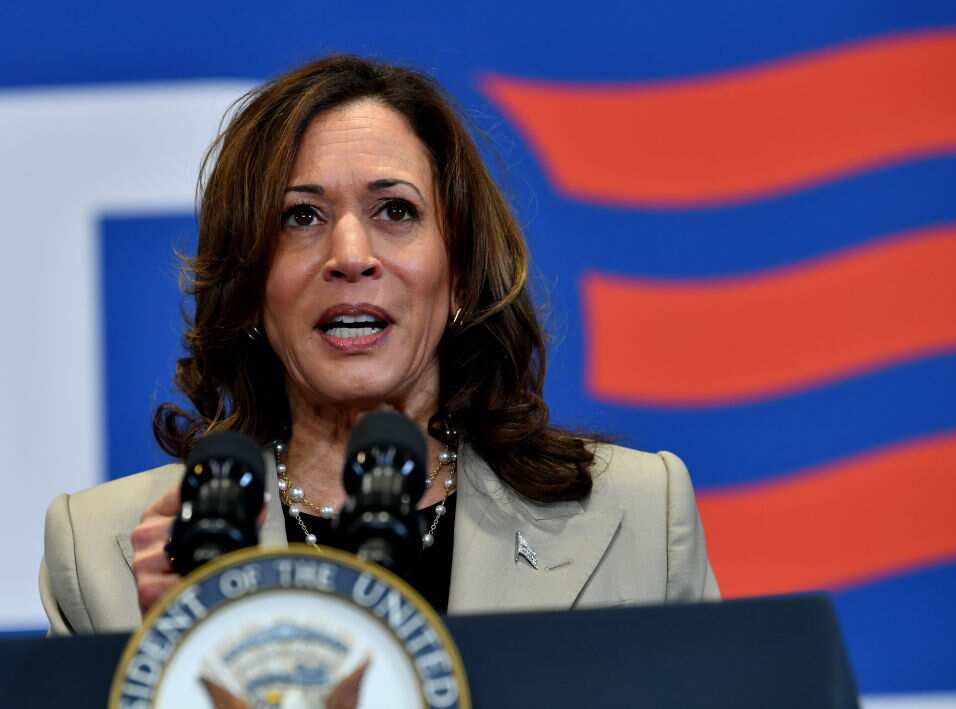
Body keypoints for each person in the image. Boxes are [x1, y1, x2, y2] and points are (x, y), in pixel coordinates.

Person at [39, 55, 719, 635]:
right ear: (249, 285)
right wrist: (179, 652)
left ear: (459, 274)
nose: (350, 255)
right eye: (301, 216)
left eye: (395, 210)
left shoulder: (636, 515)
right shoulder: (105, 556)